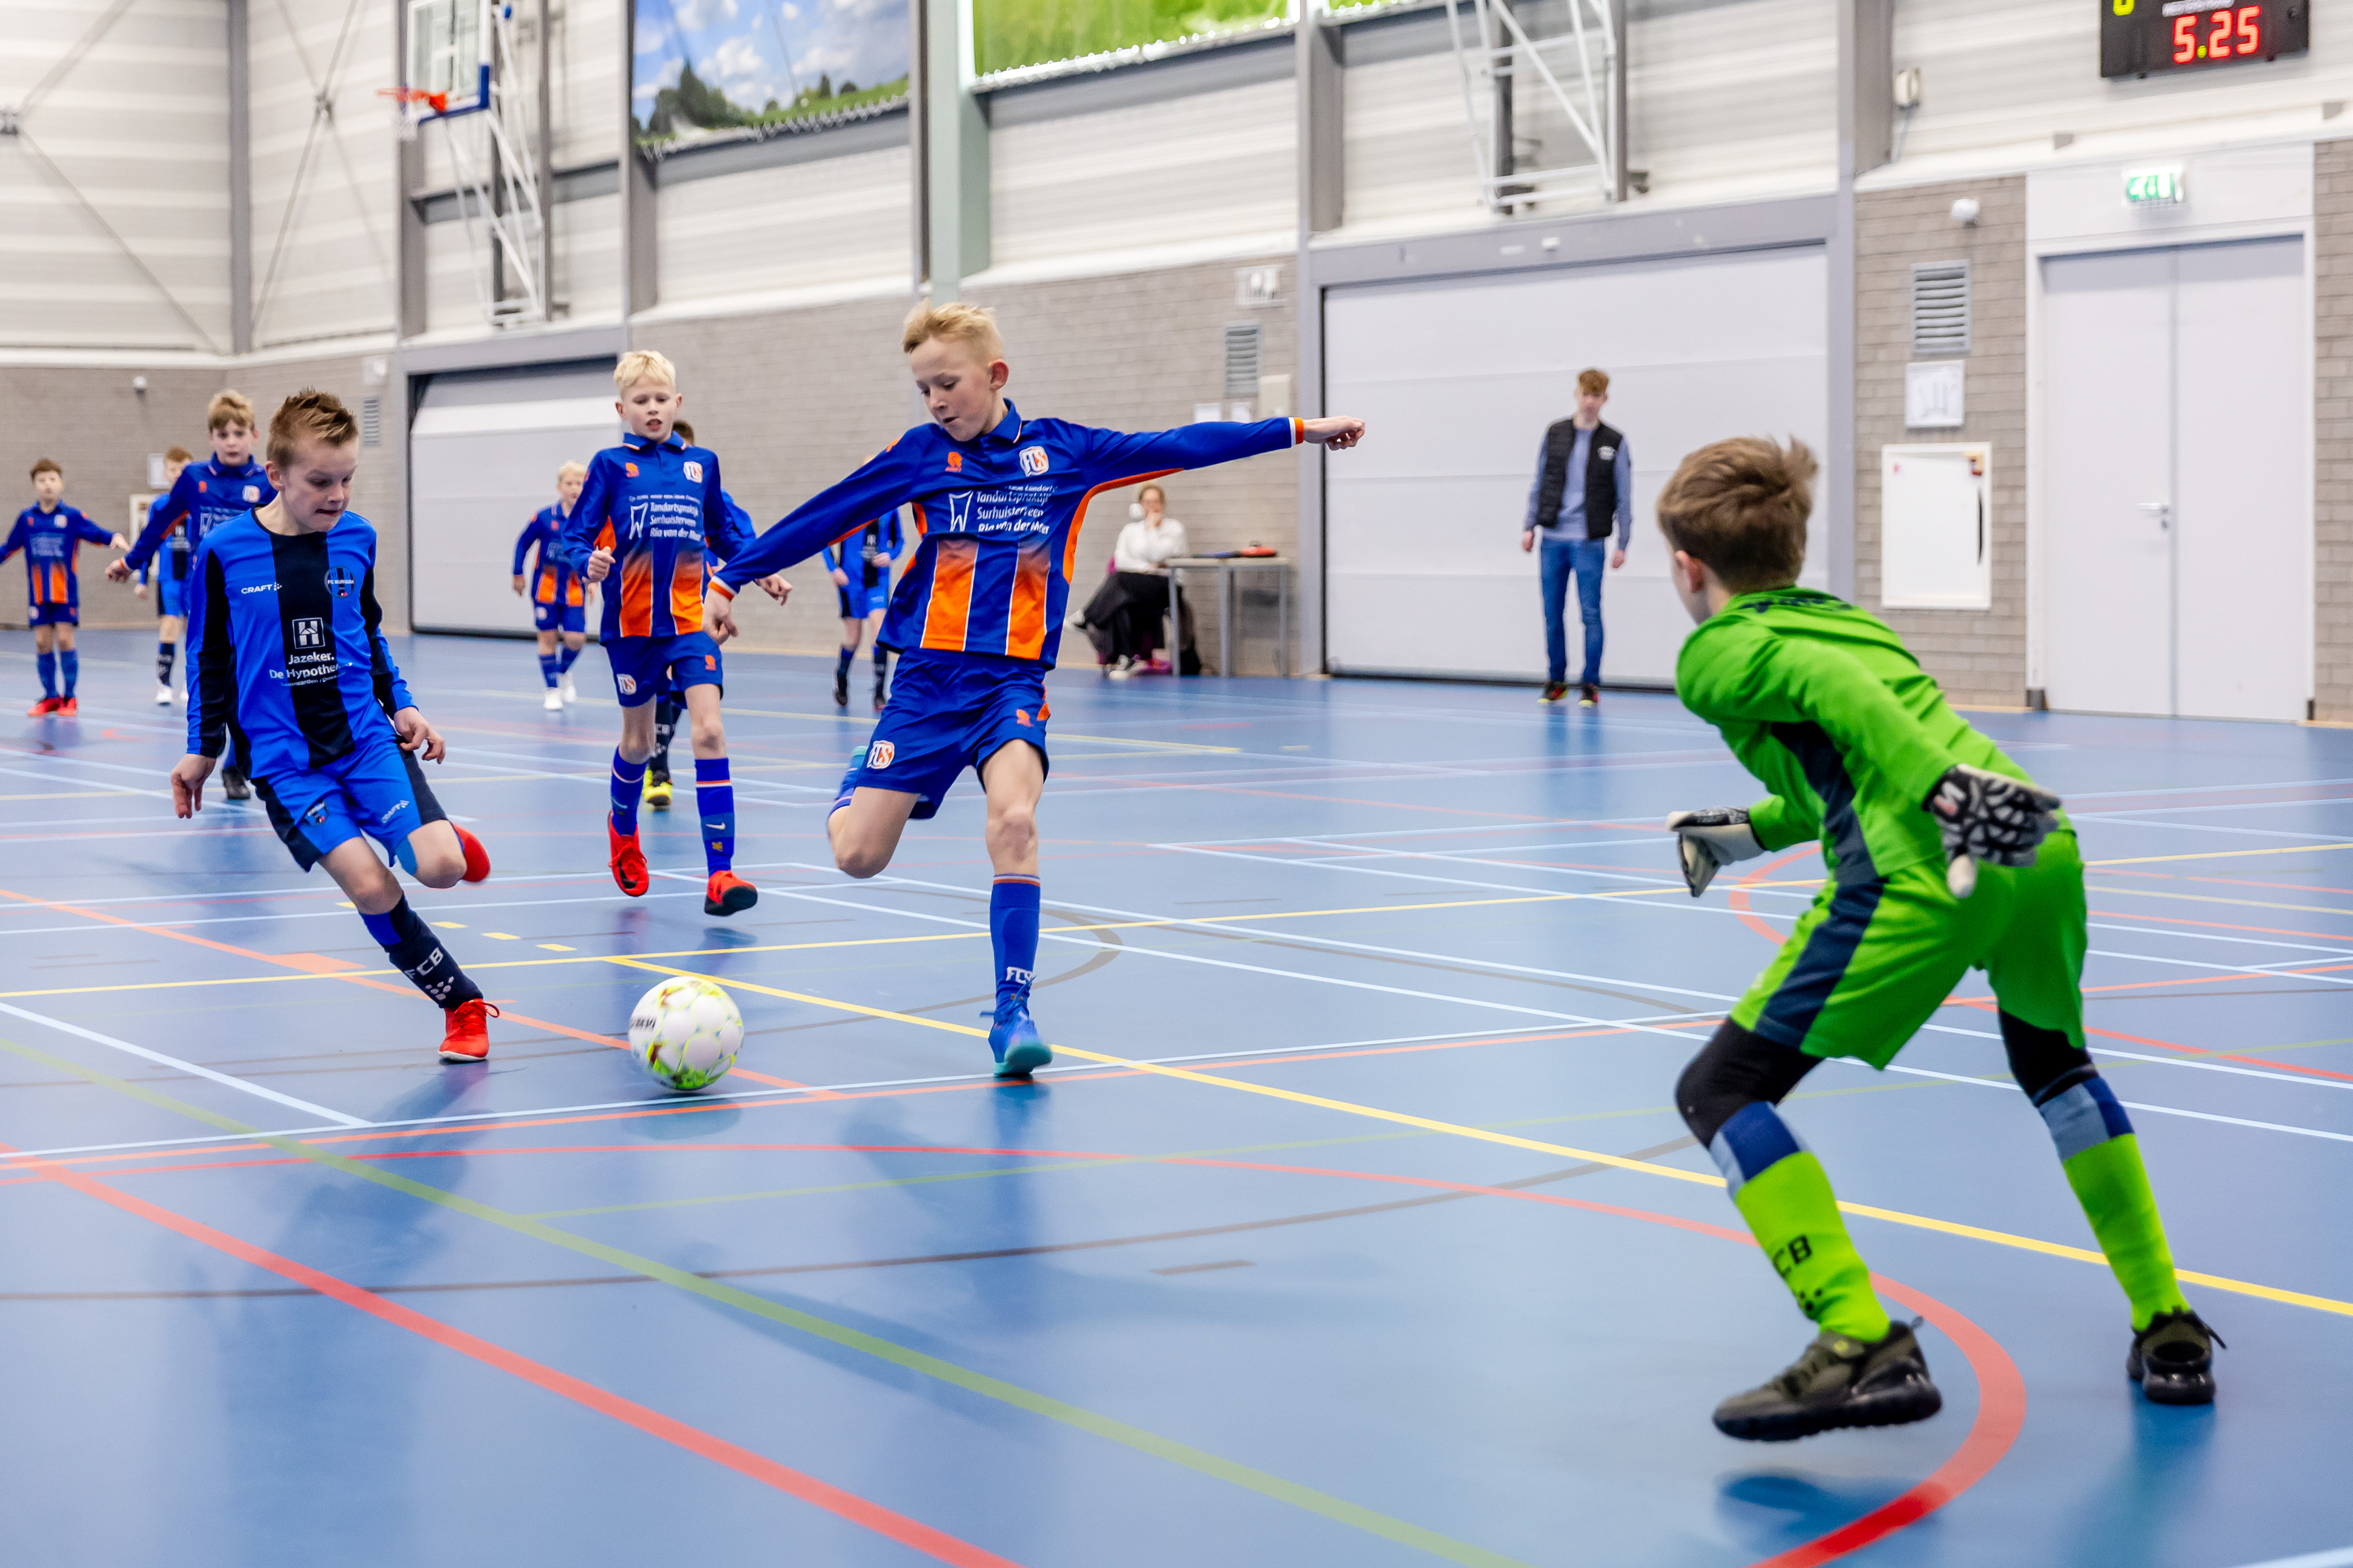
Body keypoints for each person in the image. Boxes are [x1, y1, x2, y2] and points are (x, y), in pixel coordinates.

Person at [1655, 435, 2218, 1442]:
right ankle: (2164, 1320)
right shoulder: (1844, 621)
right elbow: (1846, 762)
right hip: (2034, 839)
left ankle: (1859, 1339)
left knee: (1720, 1089)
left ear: (1688, 566)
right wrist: (1743, 831)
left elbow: (1861, 717)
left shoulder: (1713, 653)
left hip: (1933, 859)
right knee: (2053, 1062)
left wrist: (1941, 794)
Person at [700, 302, 1366, 1078]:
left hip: (1012, 682)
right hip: (925, 683)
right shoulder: (918, 455)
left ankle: (1011, 1012)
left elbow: (1180, 447)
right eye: (922, 390)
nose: (935, 402)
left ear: (995, 375)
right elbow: (828, 513)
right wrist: (729, 576)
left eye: (947, 383)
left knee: (1013, 821)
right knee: (857, 857)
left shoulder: (1065, 454)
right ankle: (861, 777)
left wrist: (1296, 429)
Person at [173, 390, 497, 1062]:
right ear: (276, 474)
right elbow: (209, 656)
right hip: (288, 765)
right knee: (373, 887)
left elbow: (369, 634)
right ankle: (462, 1005)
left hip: (366, 741)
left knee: (438, 869)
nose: (337, 494)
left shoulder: (358, 539)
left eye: (347, 478)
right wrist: (202, 750)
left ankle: (439, 839)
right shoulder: (223, 551)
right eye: (321, 481)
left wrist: (403, 702)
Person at [555, 354, 787, 914]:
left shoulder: (701, 464)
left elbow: (725, 533)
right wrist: (588, 562)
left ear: (677, 404)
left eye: (661, 399)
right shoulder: (610, 467)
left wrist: (760, 570)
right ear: (622, 409)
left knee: (709, 732)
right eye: (640, 400)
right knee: (637, 743)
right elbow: (572, 538)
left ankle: (721, 874)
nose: (652, 408)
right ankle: (623, 827)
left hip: (692, 624)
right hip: (632, 629)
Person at [113, 391, 274, 798]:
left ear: (255, 435)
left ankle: (236, 767)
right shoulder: (194, 479)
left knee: (249, 686)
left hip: (255, 602)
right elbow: (160, 525)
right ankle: (204, 751)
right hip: (205, 599)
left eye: (240, 433)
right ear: (211, 438)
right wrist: (132, 563)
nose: (232, 441)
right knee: (210, 681)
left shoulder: (267, 483)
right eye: (223, 434)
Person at [639, 419, 754, 812]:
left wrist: (752, 574)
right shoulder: (642, 494)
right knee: (658, 692)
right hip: (651, 616)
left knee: (693, 703)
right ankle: (658, 771)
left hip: (698, 614)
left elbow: (747, 543)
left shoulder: (713, 496)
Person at [1520, 368, 1631, 706]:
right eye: (1586, 394)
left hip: (1589, 541)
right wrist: (1529, 525)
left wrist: (1623, 542)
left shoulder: (1614, 441)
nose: (1590, 402)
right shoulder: (1555, 433)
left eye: (1596, 396)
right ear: (1577, 394)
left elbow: (1624, 494)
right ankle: (1556, 680)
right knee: (1552, 613)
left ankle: (1590, 684)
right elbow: (1539, 480)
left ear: (1605, 399)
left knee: (1590, 613)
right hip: (1552, 538)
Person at [4, 459, 129, 717]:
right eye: (41, 480)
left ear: (60, 483)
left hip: (64, 593)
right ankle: (50, 697)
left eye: (52, 479)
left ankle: (70, 698)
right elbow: (8, 547)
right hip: (38, 595)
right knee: (42, 643)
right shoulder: (27, 519)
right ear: (34, 485)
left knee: (64, 640)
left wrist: (113, 538)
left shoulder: (71, 517)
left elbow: (95, 532)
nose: (47, 485)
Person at [513, 460, 590, 712]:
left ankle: (563, 672)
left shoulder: (589, 520)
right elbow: (523, 542)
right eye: (569, 483)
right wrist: (517, 573)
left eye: (579, 483)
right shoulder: (544, 517)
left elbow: (595, 550)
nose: (574, 488)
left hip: (575, 588)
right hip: (545, 588)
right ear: (560, 487)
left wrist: (592, 578)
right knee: (547, 638)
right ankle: (552, 690)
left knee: (576, 639)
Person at [130, 444, 196, 705]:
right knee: (169, 628)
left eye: (184, 469)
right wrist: (143, 580)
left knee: (195, 631)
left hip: (195, 578)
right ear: (166, 473)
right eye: (173, 469)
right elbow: (150, 542)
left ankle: (192, 685)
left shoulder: (198, 502)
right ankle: (164, 685)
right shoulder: (159, 505)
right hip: (169, 577)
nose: (179, 473)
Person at [1102, 482, 1186, 679]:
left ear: (1163, 504)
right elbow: (1122, 560)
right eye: (1147, 502)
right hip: (1137, 584)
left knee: (1120, 582)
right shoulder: (1130, 530)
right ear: (1140, 504)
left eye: (1156, 502)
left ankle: (1087, 617)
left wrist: (1151, 529)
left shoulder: (1174, 529)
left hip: (1166, 587)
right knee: (1119, 599)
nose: (1152, 506)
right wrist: (1146, 567)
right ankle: (1128, 658)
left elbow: (1157, 554)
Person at [826, 511, 903, 710]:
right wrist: (834, 569)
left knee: (879, 636)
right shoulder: (852, 506)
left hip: (878, 582)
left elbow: (899, 541)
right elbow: (823, 540)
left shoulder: (891, 509)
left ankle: (879, 694)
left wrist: (890, 555)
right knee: (853, 639)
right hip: (851, 583)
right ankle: (841, 676)